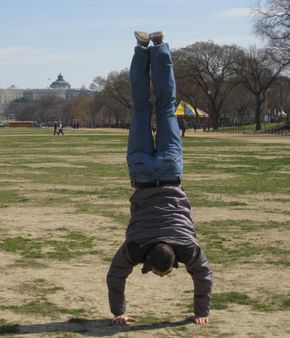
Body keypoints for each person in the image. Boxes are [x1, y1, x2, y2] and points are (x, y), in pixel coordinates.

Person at [106, 31, 212, 326]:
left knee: (166, 105)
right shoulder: (135, 248)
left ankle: (159, 45)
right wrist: (118, 312)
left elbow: (204, 275)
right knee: (140, 109)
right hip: (140, 172)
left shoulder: (187, 249)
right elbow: (114, 275)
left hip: (170, 172)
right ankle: (142, 48)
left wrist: (203, 312)